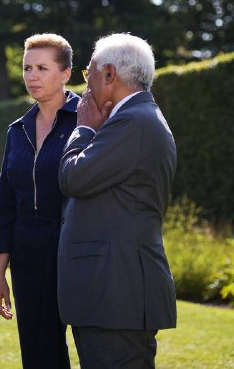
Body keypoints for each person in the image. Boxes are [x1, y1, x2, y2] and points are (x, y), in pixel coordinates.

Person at [58, 33, 177, 368]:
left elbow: (73, 178)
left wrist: (84, 129)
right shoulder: (134, 118)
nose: (87, 84)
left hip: (116, 294)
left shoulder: (132, 122)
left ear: (109, 74)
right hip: (110, 294)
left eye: (89, 72)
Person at [0, 33, 77, 368]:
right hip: (27, 250)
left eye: (42, 67)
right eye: (27, 68)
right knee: (38, 351)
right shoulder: (18, 130)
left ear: (66, 73)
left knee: (92, 342)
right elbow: (6, 204)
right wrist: (0, 272)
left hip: (74, 246)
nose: (32, 76)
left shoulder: (89, 119)